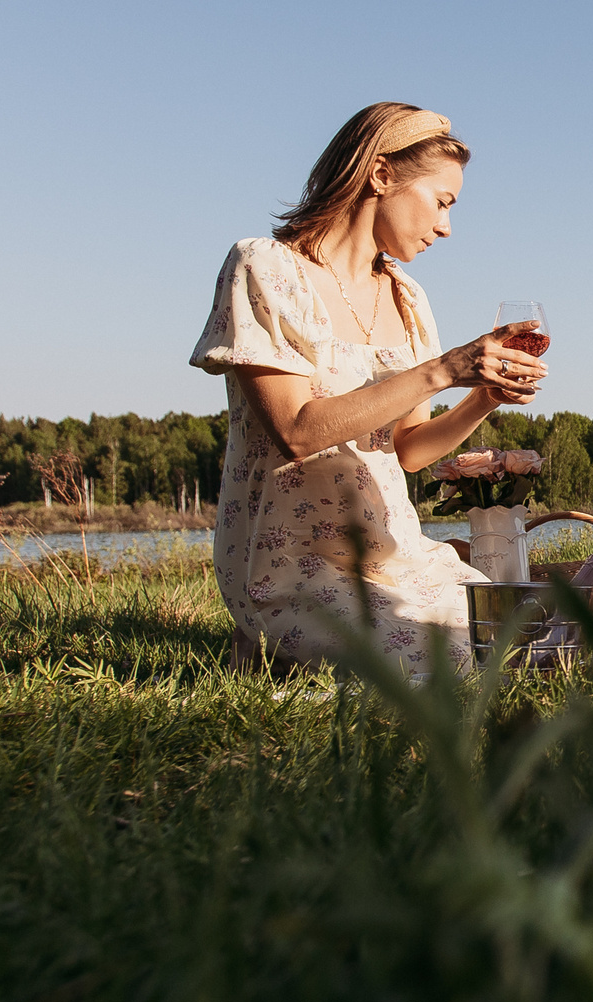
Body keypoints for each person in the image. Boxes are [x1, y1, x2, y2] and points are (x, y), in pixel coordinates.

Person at [189, 102, 546, 676]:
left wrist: (483, 396)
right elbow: (296, 432)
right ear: (381, 176)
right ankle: (268, 640)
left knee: (536, 638)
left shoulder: (408, 299)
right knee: (457, 660)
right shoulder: (266, 268)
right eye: (442, 201)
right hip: (294, 564)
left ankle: (291, 655)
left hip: (398, 559)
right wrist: (445, 368)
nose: (446, 226)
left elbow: (409, 451)